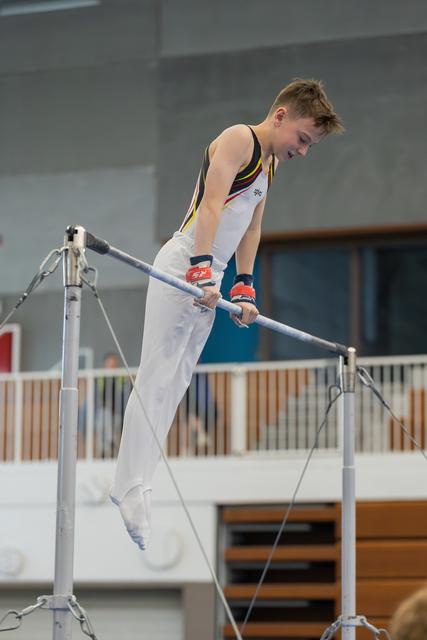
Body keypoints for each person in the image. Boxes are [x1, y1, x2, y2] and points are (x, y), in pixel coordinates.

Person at [110, 78, 344, 549]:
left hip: (211, 274)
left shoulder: (270, 167)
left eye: (311, 145)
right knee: (157, 376)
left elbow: (251, 228)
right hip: (184, 262)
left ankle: (142, 483)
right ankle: (127, 487)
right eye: (303, 138)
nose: (304, 151)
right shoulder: (240, 138)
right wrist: (199, 269)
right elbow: (212, 206)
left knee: (177, 383)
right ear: (280, 116)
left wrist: (244, 283)